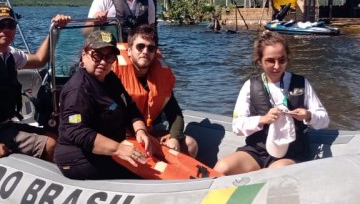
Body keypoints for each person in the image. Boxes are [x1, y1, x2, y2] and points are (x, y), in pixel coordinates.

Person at [0, 6, 71, 160]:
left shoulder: (9, 54)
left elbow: (39, 60)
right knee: (51, 144)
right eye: (0, 25)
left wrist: (55, 30)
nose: (6, 30)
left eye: (10, 25)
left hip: (3, 125)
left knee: (57, 135)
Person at [214, 31, 329, 175]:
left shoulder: (301, 83)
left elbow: (324, 119)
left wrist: (308, 115)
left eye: (282, 60)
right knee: (222, 167)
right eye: (270, 60)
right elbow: (237, 126)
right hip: (258, 150)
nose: (277, 66)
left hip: (292, 152)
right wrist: (262, 119)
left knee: (274, 172)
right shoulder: (250, 86)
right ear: (259, 61)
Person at [54, 30, 153, 180]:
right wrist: (119, 149)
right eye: (97, 55)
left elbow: (130, 108)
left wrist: (141, 131)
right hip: (78, 159)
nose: (103, 62)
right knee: (143, 172)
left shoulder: (110, 79)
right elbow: (78, 132)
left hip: (110, 150)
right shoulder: (79, 90)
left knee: (156, 159)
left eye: (109, 57)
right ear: (84, 54)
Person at [113, 23, 199, 157]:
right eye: (140, 46)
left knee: (190, 143)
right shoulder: (113, 76)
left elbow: (175, 114)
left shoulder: (161, 78)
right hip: (123, 136)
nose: (145, 51)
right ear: (129, 50)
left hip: (148, 132)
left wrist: (174, 138)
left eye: (151, 48)